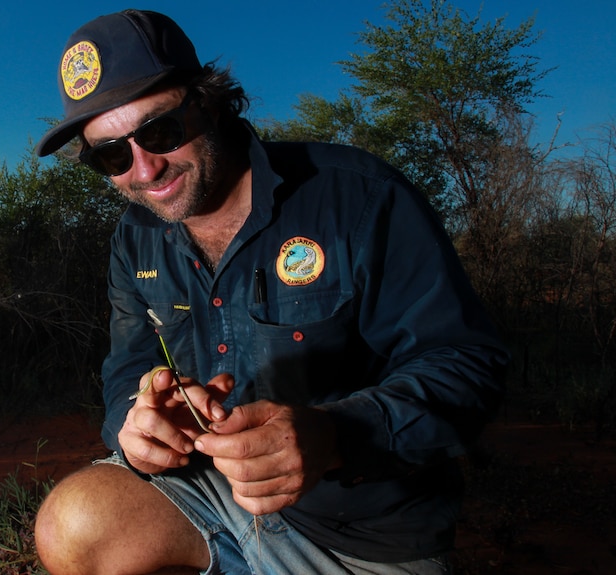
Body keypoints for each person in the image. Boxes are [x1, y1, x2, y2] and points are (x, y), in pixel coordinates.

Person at [32, 9, 509, 575]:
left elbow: (467, 361)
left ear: (207, 101)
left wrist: (337, 435)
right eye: (112, 154)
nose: (145, 170)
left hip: (358, 533)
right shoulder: (135, 239)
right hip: (209, 490)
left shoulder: (359, 199)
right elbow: (128, 362)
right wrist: (135, 424)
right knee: (73, 523)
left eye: (159, 131)